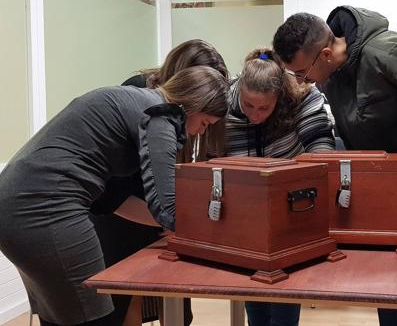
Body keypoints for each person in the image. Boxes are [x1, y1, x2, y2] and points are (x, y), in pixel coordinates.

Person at [272, 6, 397, 326]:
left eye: (302, 73)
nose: (302, 81)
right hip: (389, 196)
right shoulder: (333, 73)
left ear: (325, 53)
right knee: (389, 290)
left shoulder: (391, 53)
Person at [0, 65, 229, 326]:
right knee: (97, 317)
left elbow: (111, 199)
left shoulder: (132, 98)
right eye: (204, 123)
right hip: (46, 207)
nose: (199, 132)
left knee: (63, 316)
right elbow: (168, 209)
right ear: (193, 104)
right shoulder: (161, 115)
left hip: (14, 202)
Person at [92, 39, 229, 326]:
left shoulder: (182, 110)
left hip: (159, 211)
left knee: (175, 299)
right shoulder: (141, 95)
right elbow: (114, 190)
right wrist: (167, 219)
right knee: (124, 300)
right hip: (123, 213)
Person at [225, 47, 335, 326]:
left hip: (291, 200)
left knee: (285, 285)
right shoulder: (223, 99)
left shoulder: (301, 95)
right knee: (254, 287)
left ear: (279, 98)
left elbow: (321, 150)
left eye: (264, 107)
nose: (255, 115)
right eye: (248, 105)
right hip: (244, 204)